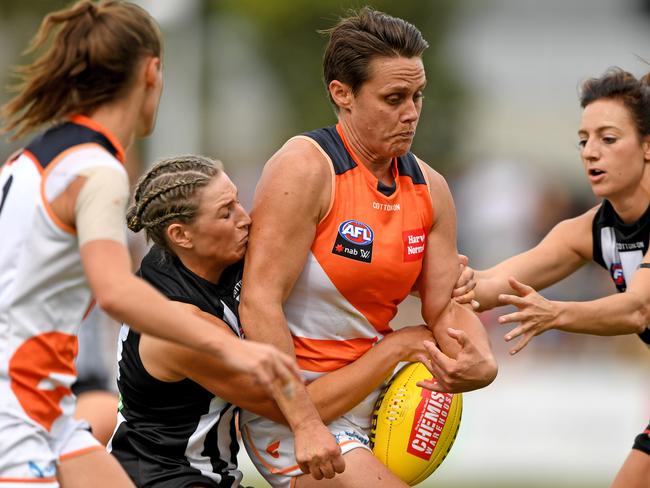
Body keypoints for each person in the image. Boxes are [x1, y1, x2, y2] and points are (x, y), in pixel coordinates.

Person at [0, 2, 307, 486]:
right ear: (152, 71)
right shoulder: (96, 169)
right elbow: (116, 292)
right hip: (15, 415)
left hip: (50, 413)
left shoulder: (30, 158)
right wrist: (238, 351)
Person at [238, 7, 498, 488]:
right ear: (342, 94)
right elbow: (258, 301)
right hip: (297, 405)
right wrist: (304, 422)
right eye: (394, 98)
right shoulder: (306, 168)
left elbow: (446, 307)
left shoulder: (430, 187)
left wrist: (478, 356)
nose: (412, 112)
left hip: (379, 399)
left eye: (418, 96)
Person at [107, 154, 439, 487]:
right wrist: (395, 349)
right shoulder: (181, 327)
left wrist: (437, 277)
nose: (245, 219)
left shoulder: (200, 259)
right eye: (226, 212)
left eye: (237, 201)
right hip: (163, 479)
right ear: (181, 235)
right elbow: (294, 407)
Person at [470, 67, 650, 488]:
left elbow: (638, 308)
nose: (590, 152)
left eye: (608, 139)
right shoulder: (587, 231)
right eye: (584, 140)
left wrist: (554, 313)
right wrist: (412, 274)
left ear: (647, 147)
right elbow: (491, 286)